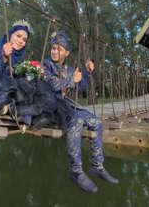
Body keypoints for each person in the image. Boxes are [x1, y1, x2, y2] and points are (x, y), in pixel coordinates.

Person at [43, 32, 118, 193]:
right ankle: (75, 171)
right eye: (53, 48)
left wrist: (87, 73)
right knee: (77, 120)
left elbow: (79, 88)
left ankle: (97, 166)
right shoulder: (45, 66)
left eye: (59, 49)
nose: (54, 52)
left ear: (67, 53)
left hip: (68, 106)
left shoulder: (69, 69)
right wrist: (71, 80)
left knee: (96, 122)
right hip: (51, 108)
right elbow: (51, 86)